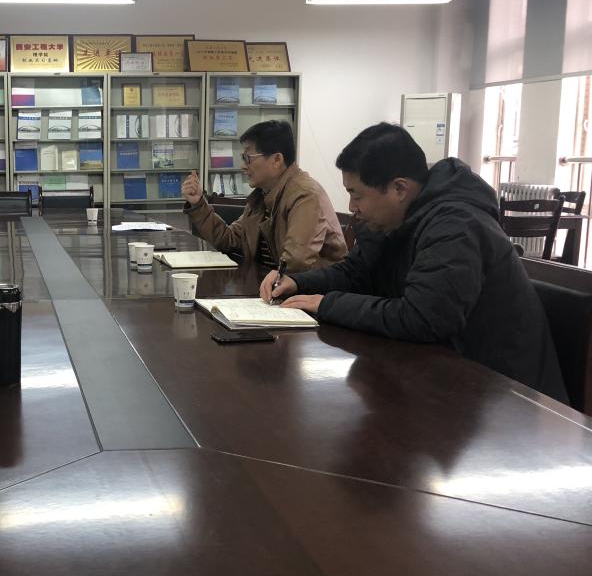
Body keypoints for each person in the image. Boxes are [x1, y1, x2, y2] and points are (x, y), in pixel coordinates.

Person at [261, 122, 568, 403]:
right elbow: (357, 273)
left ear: (399, 189)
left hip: (505, 396)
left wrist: (325, 304)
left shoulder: (456, 225)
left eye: (357, 195)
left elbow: (422, 318)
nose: (352, 207)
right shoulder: (390, 219)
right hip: (444, 375)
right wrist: (298, 282)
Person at [183, 120, 347, 271]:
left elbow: (296, 262)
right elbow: (231, 240)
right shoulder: (264, 195)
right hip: (269, 285)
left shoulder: (305, 195)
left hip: (307, 290)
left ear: (277, 160)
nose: (243, 166)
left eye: (248, 158)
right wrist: (198, 204)